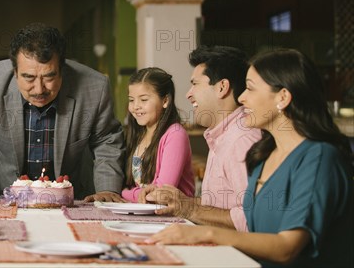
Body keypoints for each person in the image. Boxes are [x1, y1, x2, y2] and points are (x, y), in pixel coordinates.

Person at [147, 49, 353, 268]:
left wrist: (204, 233)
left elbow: (287, 248)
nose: (242, 97)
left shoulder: (319, 157)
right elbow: (246, 219)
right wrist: (184, 206)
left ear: (282, 97)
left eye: (251, 89)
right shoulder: (265, 154)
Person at [0, 22, 125, 201]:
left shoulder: (94, 86)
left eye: (49, 77)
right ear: (15, 72)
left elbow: (107, 141)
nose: (39, 89)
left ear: (62, 71)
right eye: (29, 78)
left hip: (72, 200)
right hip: (2, 196)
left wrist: (108, 189)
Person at [139, 46, 261, 231]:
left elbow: (252, 218)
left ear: (222, 87)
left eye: (195, 84)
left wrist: (189, 208)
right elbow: (220, 205)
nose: (188, 93)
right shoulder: (222, 136)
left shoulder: (242, 140)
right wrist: (177, 199)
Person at [122, 67, 194, 202]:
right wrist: (135, 193)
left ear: (165, 101)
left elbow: (161, 193)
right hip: (146, 214)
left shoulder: (175, 134)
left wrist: (125, 193)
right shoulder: (137, 134)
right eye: (131, 100)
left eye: (143, 100)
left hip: (175, 217)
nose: (136, 106)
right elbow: (129, 185)